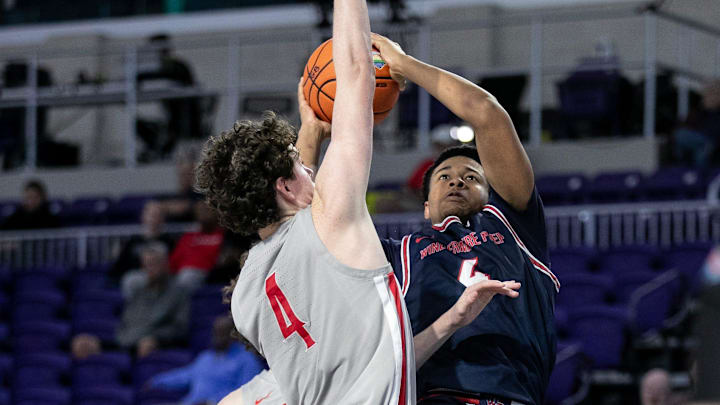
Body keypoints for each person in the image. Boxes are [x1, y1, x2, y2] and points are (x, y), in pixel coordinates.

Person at [194, 0, 415, 400]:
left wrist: (309, 134)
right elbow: (356, 73)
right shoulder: (331, 218)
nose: (311, 170)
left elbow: (290, 230)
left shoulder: (246, 296)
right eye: (300, 164)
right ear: (283, 185)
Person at [369, 32, 558, 405]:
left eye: (472, 177)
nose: (457, 179)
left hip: (511, 396)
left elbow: (486, 112)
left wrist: (403, 64)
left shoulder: (514, 223)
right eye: (444, 176)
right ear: (425, 206)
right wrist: (317, 130)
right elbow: (323, 219)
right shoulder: (398, 253)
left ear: (494, 193)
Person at [71, 242, 190, 359]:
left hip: (153, 344)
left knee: (146, 346)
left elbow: (180, 328)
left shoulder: (178, 293)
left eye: (154, 263)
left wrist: (157, 339)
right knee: (82, 343)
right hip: (126, 343)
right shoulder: (139, 293)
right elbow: (125, 324)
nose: (149, 269)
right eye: (146, 265)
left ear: (165, 264)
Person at [147, 317, 266, 405]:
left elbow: (247, 392)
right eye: (215, 334)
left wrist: (211, 402)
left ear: (233, 335)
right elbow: (185, 375)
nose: (216, 339)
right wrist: (156, 381)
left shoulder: (247, 360)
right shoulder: (206, 357)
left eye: (222, 334)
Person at [108, 201, 175, 287]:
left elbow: (173, 265)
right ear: (143, 217)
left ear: (163, 219)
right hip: (135, 277)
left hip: (161, 279)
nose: (154, 218)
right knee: (130, 279)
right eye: (151, 215)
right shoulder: (133, 241)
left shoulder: (169, 241)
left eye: (158, 215)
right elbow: (119, 267)